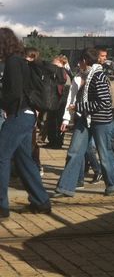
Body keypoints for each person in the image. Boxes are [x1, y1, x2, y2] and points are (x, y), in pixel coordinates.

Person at [54, 48, 114, 197]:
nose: (78, 64)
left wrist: (79, 106)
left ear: (84, 61)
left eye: (79, 61)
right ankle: (65, 187)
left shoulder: (98, 76)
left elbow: (104, 102)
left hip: (100, 120)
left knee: (104, 153)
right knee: (74, 151)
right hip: (85, 118)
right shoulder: (85, 75)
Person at [0, 28, 51, 217]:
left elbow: (13, 93)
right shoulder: (21, 60)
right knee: (23, 160)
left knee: (1, 156)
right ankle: (41, 201)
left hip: (18, 115)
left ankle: (2, 207)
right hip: (27, 115)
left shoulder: (13, 62)